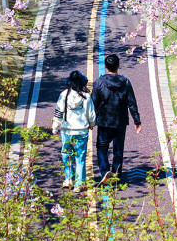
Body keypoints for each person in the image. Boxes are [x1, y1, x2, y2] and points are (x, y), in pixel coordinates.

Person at [91, 54, 141, 185]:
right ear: (118, 66)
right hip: (120, 122)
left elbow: (93, 103)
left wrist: (90, 120)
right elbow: (132, 102)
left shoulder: (99, 82)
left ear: (106, 67)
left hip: (104, 122)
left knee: (102, 148)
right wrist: (137, 120)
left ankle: (105, 171)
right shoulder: (125, 82)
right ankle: (117, 174)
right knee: (118, 150)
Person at [51, 70, 96, 190]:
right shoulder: (86, 96)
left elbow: (58, 113)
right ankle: (80, 184)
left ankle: (68, 179)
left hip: (67, 130)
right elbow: (91, 114)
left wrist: (55, 127)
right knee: (80, 157)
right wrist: (91, 124)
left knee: (67, 154)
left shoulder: (64, 95)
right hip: (81, 131)